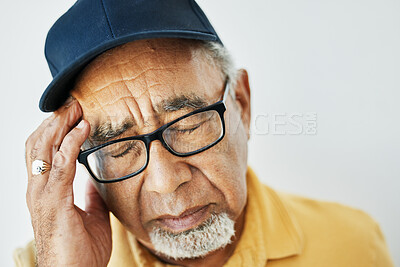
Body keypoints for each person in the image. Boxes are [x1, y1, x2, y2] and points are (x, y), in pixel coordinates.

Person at [15, 0, 394, 266]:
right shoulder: (43, 263)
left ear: (241, 104)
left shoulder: (354, 246)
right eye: (117, 148)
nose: (166, 183)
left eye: (188, 124)